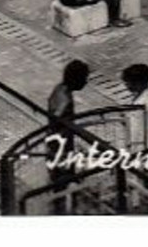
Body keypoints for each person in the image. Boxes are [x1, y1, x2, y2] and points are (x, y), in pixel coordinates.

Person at [45, 60, 91, 212]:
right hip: (61, 147)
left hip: (59, 145)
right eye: (84, 78)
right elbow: (57, 119)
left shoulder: (60, 89)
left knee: (60, 180)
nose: (86, 82)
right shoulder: (64, 99)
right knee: (63, 180)